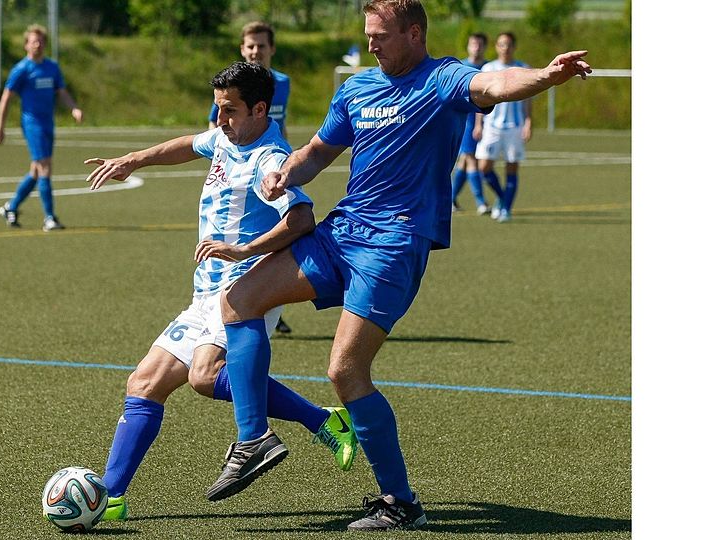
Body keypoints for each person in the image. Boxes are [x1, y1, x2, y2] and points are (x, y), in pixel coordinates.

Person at [205, 0, 591, 531]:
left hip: (393, 247)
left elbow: (495, 86)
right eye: (368, 34)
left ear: (413, 33)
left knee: (344, 371)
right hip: (342, 232)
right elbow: (319, 150)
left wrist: (545, 76)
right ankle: (254, 439)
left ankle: (399, 501)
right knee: (238, 301)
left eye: (381, 34)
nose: (371, 44)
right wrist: (287, 174)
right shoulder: (357, 88)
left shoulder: (444, 79)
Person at [84, 61, 359, 521]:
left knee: (205, 376)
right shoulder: (226, 138)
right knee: (144, 383)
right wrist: (131, 160)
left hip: (243, 293)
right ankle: (109, 497)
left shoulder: (269, 159)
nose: (219, 121)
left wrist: (243, 249)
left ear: (260, 109)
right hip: (203, 296)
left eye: (229, 111)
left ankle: (308, 424)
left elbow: (302, 219)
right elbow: (189, 144)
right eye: (217, 110)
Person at [207, 21, 296, 334]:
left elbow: (278, 124)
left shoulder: (282, 82)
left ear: (271, 48)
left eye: (261, 45)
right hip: (239, 165)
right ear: (242, 49)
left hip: (270, 164)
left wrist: (285, 160)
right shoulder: (233, 86)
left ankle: (268, 299)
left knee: (278, 229)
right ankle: (238, 297)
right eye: (250, 46)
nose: (255, 51)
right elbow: (215, 129)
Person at [0, 24, 82, 231]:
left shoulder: (52, 67)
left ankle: (11, 206)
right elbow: (6, 98)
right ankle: (50, 218)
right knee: (45, 167)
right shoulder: (21, 69)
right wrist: (0, 127)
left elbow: (62, 92)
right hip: (32, 123)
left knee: (36, 171)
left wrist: (74, 108)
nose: (38, 45)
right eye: (34, 41)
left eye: (41, 41)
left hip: (48, 124)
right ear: (26, 45)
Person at [474, 32, 531, 223]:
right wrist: (478, 124)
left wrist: (528, 122)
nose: (504, 48)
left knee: (512, 169)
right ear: (496, 47)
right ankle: (502, 197)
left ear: (514, 47)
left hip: (515, 127)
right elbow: (479, 99)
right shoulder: (488, 68)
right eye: (501, 44)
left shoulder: (523, 68)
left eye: (508, 44)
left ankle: (506, 208)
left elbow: (528, 100)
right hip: (492, 127)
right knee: (484, 168)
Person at [449, 32, 491, 215]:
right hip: (467, 122)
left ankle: (449, 200)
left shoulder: (488, 67)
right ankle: (481, 203)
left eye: (480, 44)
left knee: (464, 162)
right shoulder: (462, 66)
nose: (476, 47)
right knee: (471, 159)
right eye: (473, 44)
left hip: (485, 120)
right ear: (468, 46)